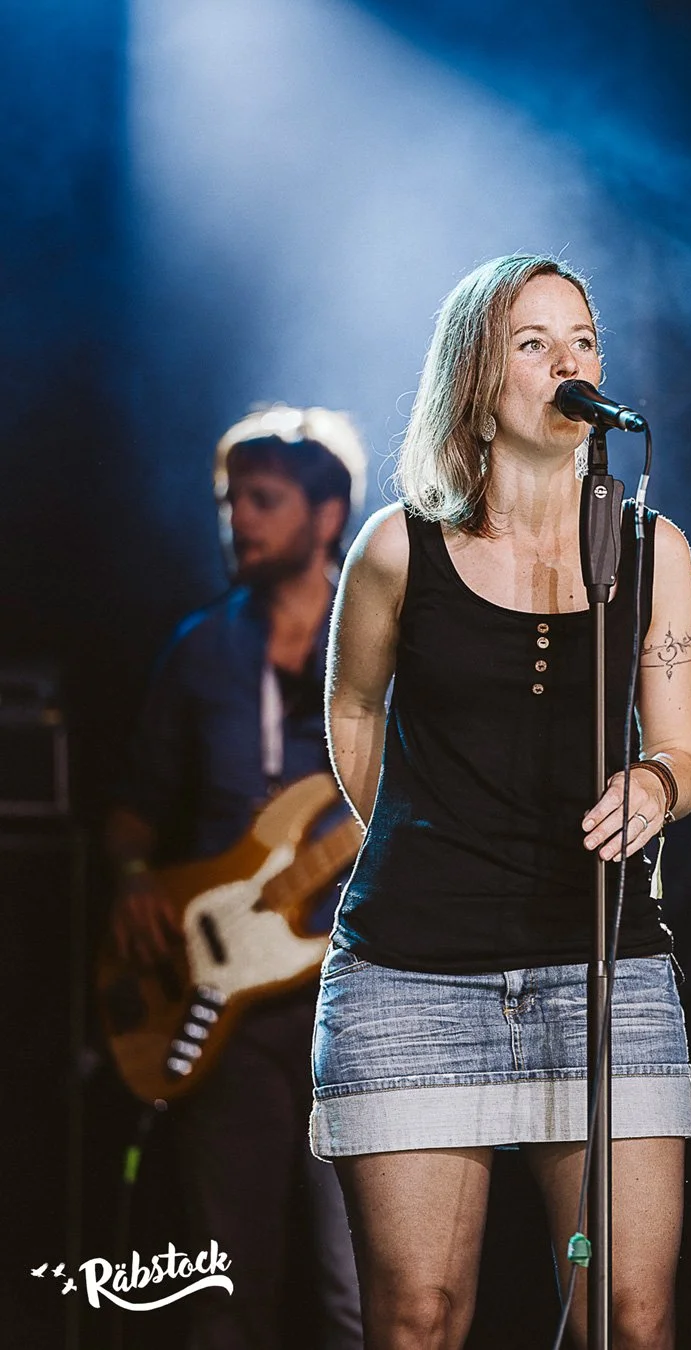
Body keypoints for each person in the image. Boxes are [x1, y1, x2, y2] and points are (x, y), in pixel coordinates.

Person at [313, 256, 691, 1350]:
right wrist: (427, 835)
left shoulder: (649, 547)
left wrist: (658, 783)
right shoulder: (397, 546)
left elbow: (683, 746)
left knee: (630, 1316)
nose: (567, 362)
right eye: (532, 343)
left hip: (603, 962)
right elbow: (351, 710)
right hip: (411, 974)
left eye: (581, 339)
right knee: (419, 1318)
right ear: (478, 381)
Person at [106, 406, 366, 1350]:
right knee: (222, 1300)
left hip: (358, 1001)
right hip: (222, 1011)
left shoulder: (383, 646)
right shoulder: (200, 649)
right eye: (229, 501)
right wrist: (135, 877)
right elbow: (134, 805)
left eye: (262, 500)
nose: (238, 520)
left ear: (327, 516)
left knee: (363, 1300)